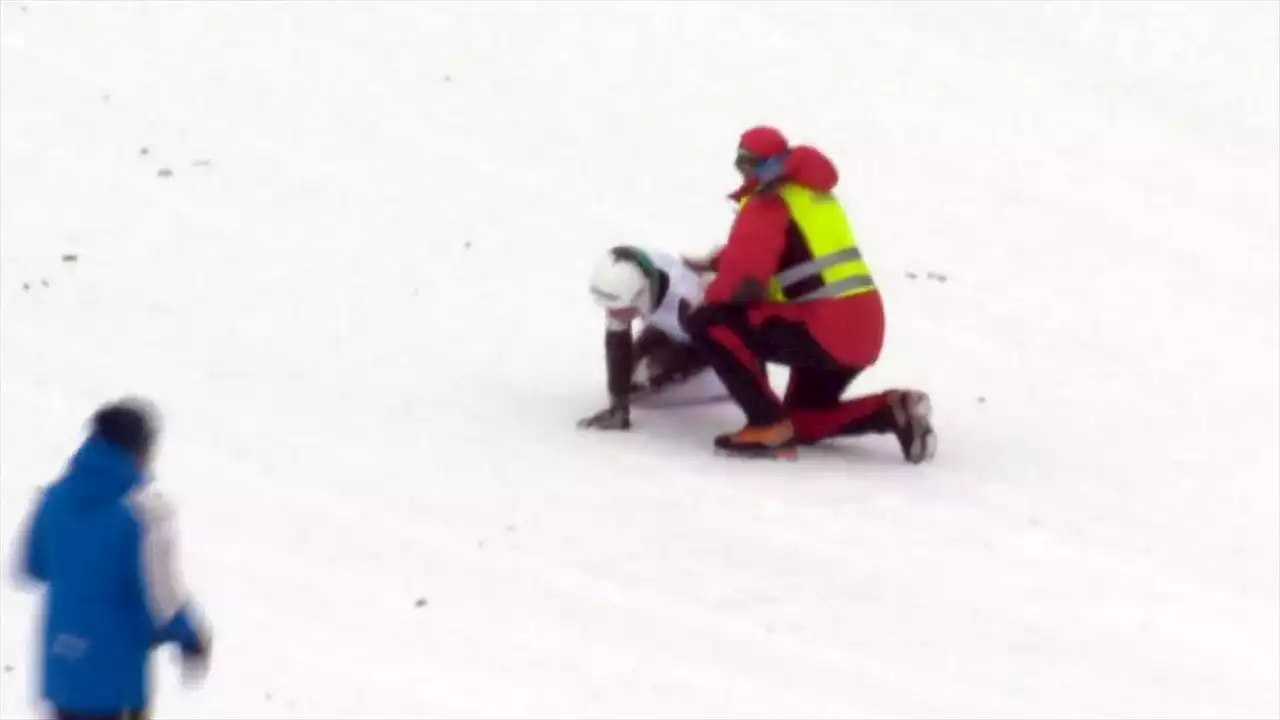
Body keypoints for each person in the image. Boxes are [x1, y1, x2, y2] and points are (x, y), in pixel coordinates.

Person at [683, 126, 937, 461]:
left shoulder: (768, 202)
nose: (748, 173)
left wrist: (704, 295)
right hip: (862, 327)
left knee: (709, 321)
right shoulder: (814, 194)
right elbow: (793, 252)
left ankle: (766, 424)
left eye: (748, 164)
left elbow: (744, 282)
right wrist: (719, 259)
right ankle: (893, 411)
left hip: (823, 327)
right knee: (801, 420)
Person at [12, 397, 211, 720]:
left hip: (62, 674)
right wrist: (190, 637)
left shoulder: (54, 499)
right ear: (139, 448)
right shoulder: (143, 510)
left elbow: (31, 567)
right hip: (115, 682)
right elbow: (163, 596)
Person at [577, 245, 721, 430]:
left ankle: (717, 386)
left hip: (709, 345)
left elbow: (730, 344)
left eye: (622, 310)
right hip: (671, 331)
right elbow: (617, 340)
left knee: (647, 397)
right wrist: (618, 406)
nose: (615, 316)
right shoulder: (639, 274)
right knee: (633, 384)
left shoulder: (687, 302)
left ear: (643, 292)